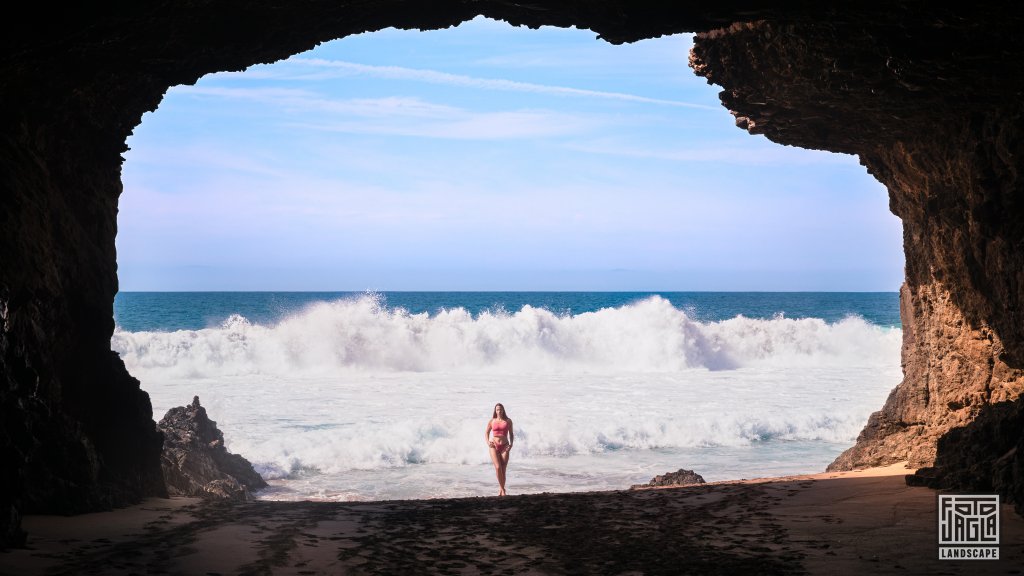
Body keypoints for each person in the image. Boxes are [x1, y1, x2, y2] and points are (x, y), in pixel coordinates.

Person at [484, 402, 514, 496]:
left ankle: (501, 489)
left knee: (503, 469)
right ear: (495, 411)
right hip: (494, 445)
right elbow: (486, 432)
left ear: (503, 410)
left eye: (500, 409)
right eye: (497, 409)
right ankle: (502, 489)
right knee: (497, 467)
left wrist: (511, 444)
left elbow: (511, 434)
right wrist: (488, 442)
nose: (499, 411)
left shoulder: (508, 421)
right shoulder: (492, 421)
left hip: (505, 445)